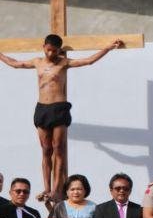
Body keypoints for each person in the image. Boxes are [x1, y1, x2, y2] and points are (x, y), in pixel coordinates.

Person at [0, 34, 122, 202]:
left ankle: (57, 189)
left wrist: (108, 47)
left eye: (54, 51)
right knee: (46, 150)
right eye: (49, 50)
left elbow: (88, 61)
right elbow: (15, 64)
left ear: (59, 50)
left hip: (59, 108)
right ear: (44, 47)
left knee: (58, 149)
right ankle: (47, 187)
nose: (51, 54)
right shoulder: (37, 62)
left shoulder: (64, 63)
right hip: (42, 108)